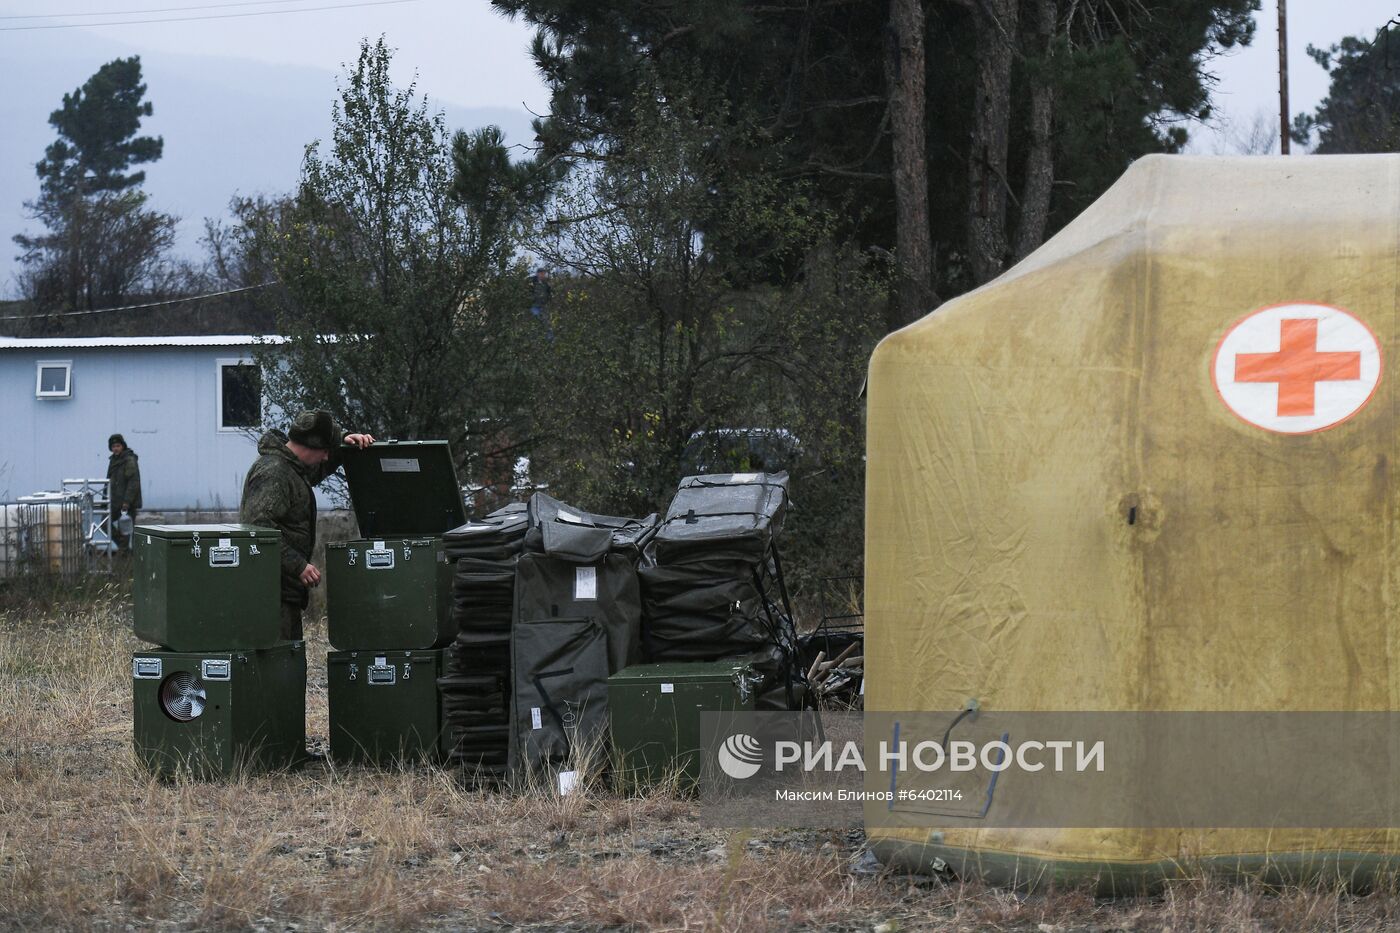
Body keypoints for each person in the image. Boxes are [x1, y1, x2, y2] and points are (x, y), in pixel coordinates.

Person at [239, 410, 375, 641]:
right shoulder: (274, 473)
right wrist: (298, 565)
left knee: (288, 663)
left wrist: (344, 442)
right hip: (270, 592)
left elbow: (315, 468)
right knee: (277, 664)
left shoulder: (291, 468)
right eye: (324, 452)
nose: (325, 458)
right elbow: (258, 527)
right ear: (310, 447)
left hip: (283, 590)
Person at [106, 433, 141, 551]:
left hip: (126, 503)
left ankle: (125, 560)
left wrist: (127, 501)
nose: (115, 448)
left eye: (118, 446)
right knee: (105, 522)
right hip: (115, 501)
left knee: (126, 531)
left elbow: (133, 482)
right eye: (113, 446)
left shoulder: (129, 460)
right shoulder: (114, 460)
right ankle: (123, 548)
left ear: (123, 446)